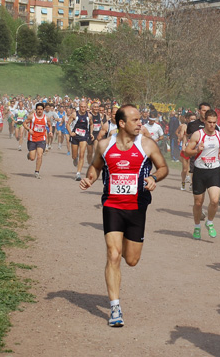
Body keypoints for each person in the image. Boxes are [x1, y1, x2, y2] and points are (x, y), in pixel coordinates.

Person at [79, 104, 168, 327]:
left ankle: (116, 296)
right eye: (136, 120)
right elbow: (95, 167)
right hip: (112, 205)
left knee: (131, 260)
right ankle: (115, 308)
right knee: (113, 254)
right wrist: (90, 178)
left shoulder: (147, 144)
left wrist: (154, 178)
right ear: (121, 123)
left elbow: (163, 167)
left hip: (137, 207)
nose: (141, 123)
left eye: (140, 119)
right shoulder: (103, 145)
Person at [184, 110, 220, 239]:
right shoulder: (197, 135)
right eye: (209, 122)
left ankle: (210, 222)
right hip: (200, 171)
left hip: (214, 170)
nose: (212, 125)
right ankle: (197, 227)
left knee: (214, 200)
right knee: (198, 203)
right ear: (205, 121)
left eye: (214, 122)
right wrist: (197, 150)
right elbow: (187, 152)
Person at [23, 103, 53, 179]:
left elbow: (50, 125)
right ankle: (29, 155)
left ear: (43, 110)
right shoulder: (32, 117)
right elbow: (24, 123)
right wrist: (28, 129)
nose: (39, 111)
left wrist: (50, 131)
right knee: (32, 158)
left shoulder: (46, 118)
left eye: (41, 109)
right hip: (32, 139)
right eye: (38, 109)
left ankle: (37, 172)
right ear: (36, 110)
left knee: (40, 155)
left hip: (41, 139)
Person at [67, 101, 92, 181]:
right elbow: (68, 124)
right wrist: (70, 132)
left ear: (86, 107)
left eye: (85, 107)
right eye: (82, 107)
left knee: (82, 154)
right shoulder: (74, 114)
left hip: (84, 136)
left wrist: (91, 133)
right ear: (79, 107)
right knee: (75, 155)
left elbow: (91, 124)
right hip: (75, 136)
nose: (83, 108)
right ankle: (75, 159)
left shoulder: (89, 115)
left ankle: (78, 173)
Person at [177, 112, 195, 191]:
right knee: (185, 169)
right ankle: (183, 182)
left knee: (194, 169)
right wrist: (183, 145)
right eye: (191, 119)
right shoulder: (185, 126)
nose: (192, 121)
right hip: (185, 149)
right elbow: (184, 136)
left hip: (194, 150)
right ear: (187, 119)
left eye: (194, 119)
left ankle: (192, 183)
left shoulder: (198, 128)